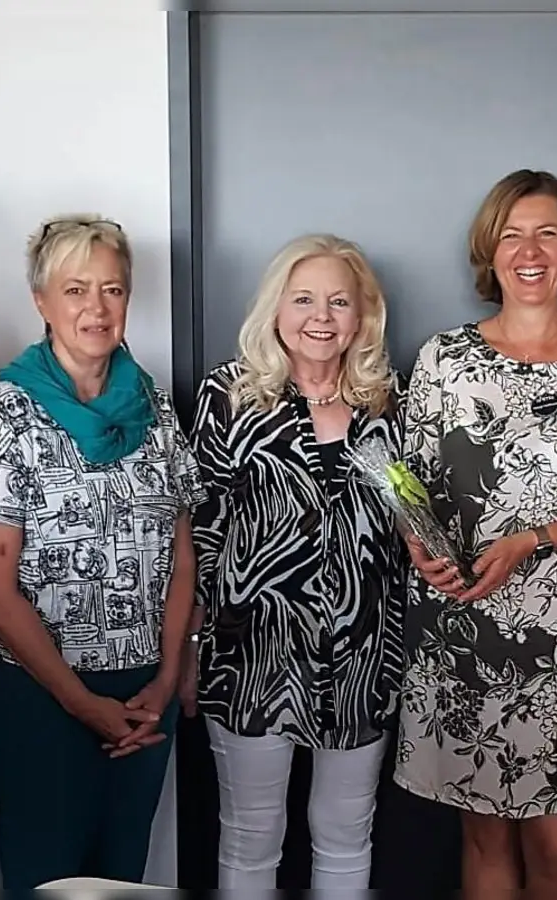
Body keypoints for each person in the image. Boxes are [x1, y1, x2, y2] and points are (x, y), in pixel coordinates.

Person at [393, 169, 557, 895]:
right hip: (461, 629)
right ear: (490, 250)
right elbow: (408, 486)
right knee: (482, 838)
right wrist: (419, 547)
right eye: (512, 234)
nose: (530, 250)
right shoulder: (442, 360)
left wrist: (531, 539)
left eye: (547, 232)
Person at [0, 215, 204, 888]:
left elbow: (182, 553)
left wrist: (167, 673)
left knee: (122, 873)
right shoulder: (9, 412)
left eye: (112, 289)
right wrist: (77, 700)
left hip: (144, 690)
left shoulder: (151, 402)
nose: (96, 308)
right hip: (40, 694)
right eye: (75, 290)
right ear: (41, 301)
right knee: (47, 877)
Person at [186, 234, 409, 889]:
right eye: (304, 298)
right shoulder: (230, 395)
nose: (321, 316)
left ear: (363, 315)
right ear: (276, 308)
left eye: (339, 301)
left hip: (364, 655)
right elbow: (204, 529)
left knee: (345, 833)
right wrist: (189, 649)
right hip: (253, 656)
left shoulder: (385, 403)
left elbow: (408, 523)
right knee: (252, 838)